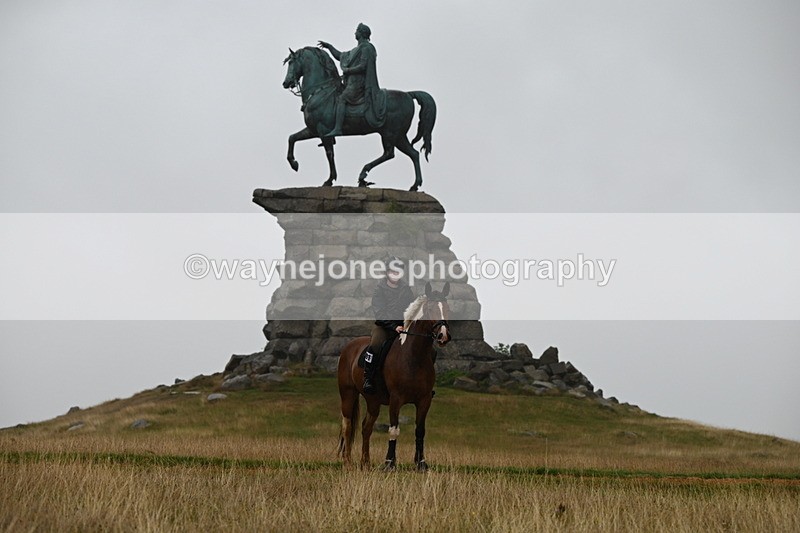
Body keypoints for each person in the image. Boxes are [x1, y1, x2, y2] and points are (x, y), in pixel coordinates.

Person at [318, 22, 387, 137]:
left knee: (342, 98)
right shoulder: (356, 50)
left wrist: (348, 71)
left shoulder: (367, 47)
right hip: (351, 83)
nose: (355, 32)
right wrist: (329, 46)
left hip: (359, 84)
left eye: (357, 30)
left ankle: (338, 128)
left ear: (361, 33)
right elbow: (340, 56)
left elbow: (363, 66)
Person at [363, 256, 414, 394]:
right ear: (387, 272)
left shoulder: (406, 289)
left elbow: (412, 307)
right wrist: (393, 327)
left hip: (403, 326)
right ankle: (368, 377)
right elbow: (380, 313)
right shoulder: (379, 289)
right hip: (384, 326)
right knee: (375, 344)